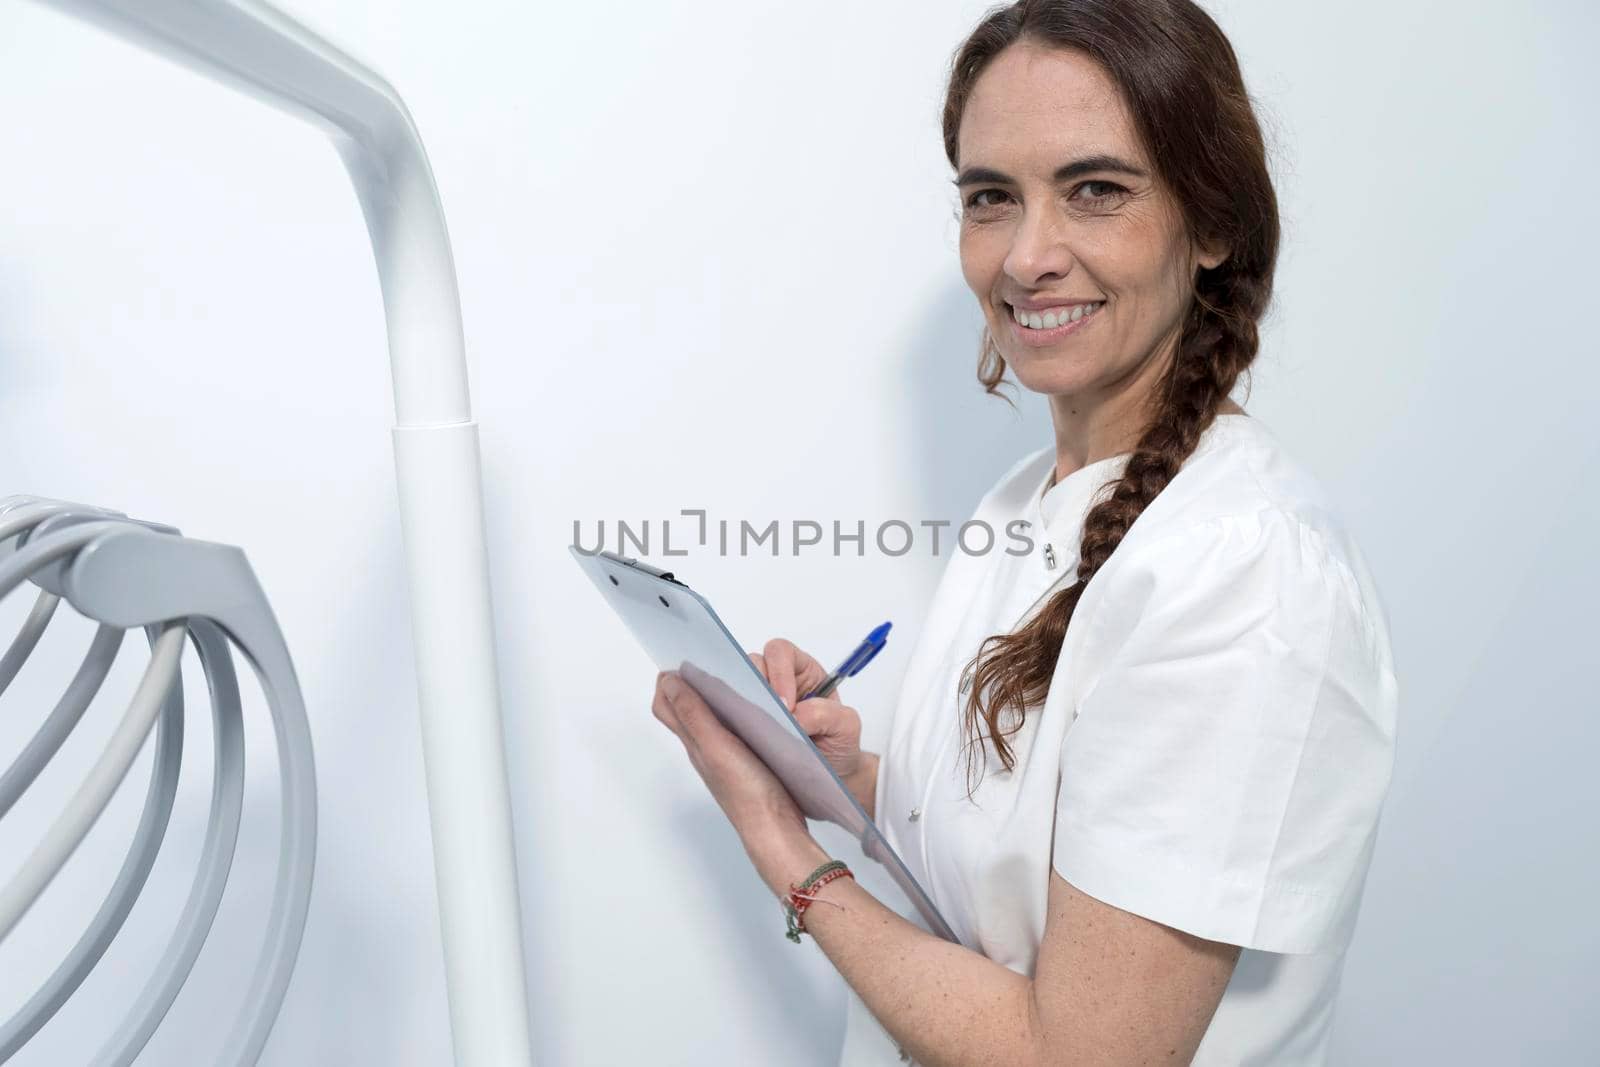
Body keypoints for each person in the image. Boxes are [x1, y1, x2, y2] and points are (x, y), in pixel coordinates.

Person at [648, 1, 1399, 1063]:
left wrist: (783, 850)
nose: (1027, 254)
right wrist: (840, 784)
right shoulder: (1025, 502)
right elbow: (1023, 878)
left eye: (1095, 190)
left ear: (1215, 225)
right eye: (990, 198)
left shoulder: (1241, 572)